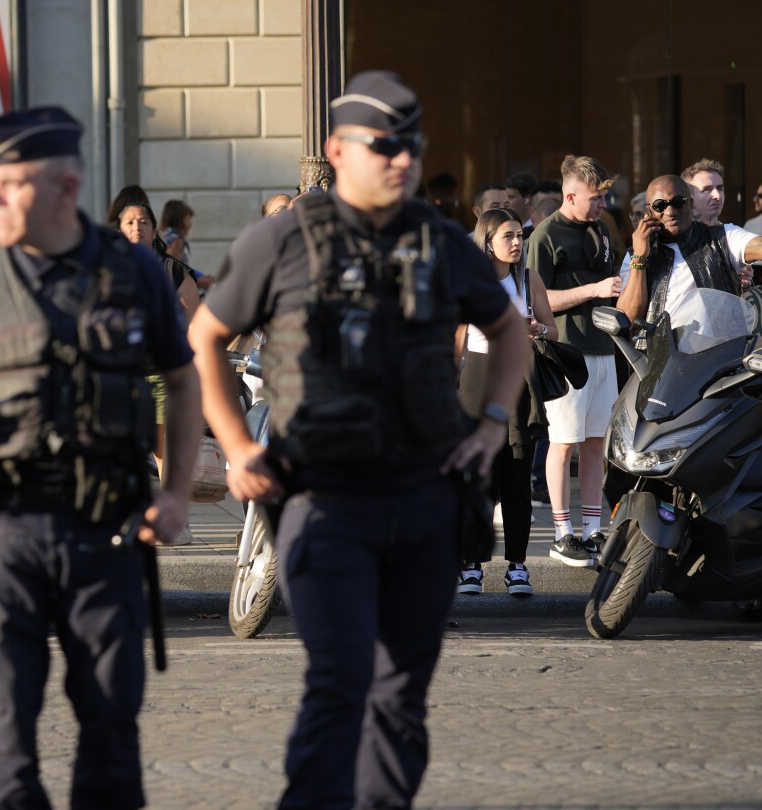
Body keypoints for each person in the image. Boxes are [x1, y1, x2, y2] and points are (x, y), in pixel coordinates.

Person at [189, 71, 527, 809]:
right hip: (322, 502)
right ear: (338, 150)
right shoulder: (281, 241)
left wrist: (492, 425)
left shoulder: (439, 240)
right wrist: (238, 450)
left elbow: (508, 331)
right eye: (384, 145)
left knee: (401, 696)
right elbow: (206, 336)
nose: (401, 158)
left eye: (411, 144)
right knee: (342, 680)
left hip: (425, 500)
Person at [0, 106, 200, 808]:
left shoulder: (133, 272)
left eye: (9, 184)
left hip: (107, 531)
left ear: (65, 186)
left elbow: (182, 381)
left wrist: (177, 491)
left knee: (111, 728)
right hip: (4, 530)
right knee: (5, 729)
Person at [457, 207, 556, 598]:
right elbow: (456, 338)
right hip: (476, 378)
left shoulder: (528, 280)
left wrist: (537, 329)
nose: (517, 243)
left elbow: (550, 326)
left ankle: (517, 564)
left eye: (519, 235)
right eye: (508, 236)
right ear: (487, 241)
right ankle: (471, 565)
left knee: (517, 477)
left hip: (517, 378)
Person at [528, 154, 619, 566]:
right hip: (566, 352)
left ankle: (592, 529)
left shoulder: (600, 230)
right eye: (596, 197)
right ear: (571, 194)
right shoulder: (544, 237)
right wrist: (595, 290)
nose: (602, 204)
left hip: (603, 348)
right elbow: (539, 299)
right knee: (563, 443)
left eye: (604, 197)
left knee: (597, 443)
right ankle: (562, 531)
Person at [617, 175, 762, 325]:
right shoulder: (635, 254)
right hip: (662, 368)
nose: (670, 211)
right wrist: (640, 257)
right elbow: (628, 316)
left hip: (719, 360)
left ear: (690, 203)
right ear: (649, 212)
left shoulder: (721, 237)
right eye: (660, 205)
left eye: (678, 202)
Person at [116, 202, 202, 544]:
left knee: (163, 450)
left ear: (154, 230)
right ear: (120, 229)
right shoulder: (110, 268)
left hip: (163, 374)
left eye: (143, 221)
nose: (137, 226)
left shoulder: (172, 269)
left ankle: (174, 519)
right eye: (129, 221)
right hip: (123, 375)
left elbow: (192, 318)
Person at [682, 158, 726, 227]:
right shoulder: (677, 234)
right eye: (707, 190)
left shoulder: (730, 233)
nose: (717, 196)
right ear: (689, 198)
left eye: (719, 188)